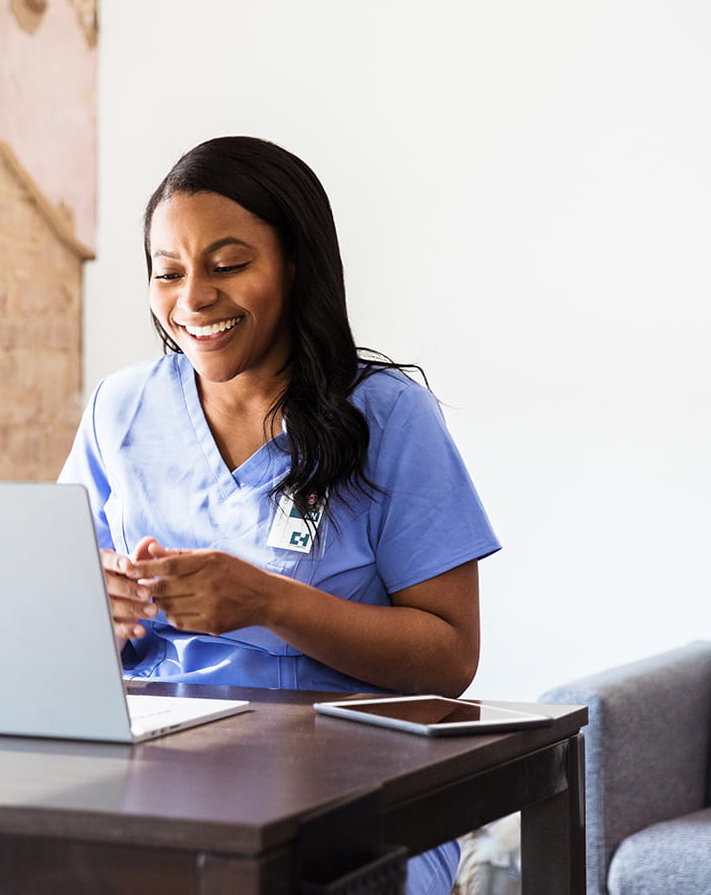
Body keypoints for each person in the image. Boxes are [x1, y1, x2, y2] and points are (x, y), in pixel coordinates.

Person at [58, 136, 500, 895]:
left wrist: (268, 601)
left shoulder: (389, 418)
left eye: (228, 265)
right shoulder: (119, 409)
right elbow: (55, 614)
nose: (192, 299)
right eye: (168, 272)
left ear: (295, 264)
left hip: (354, 785)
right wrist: (100, 607)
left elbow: (451, 656)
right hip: (157, 770)